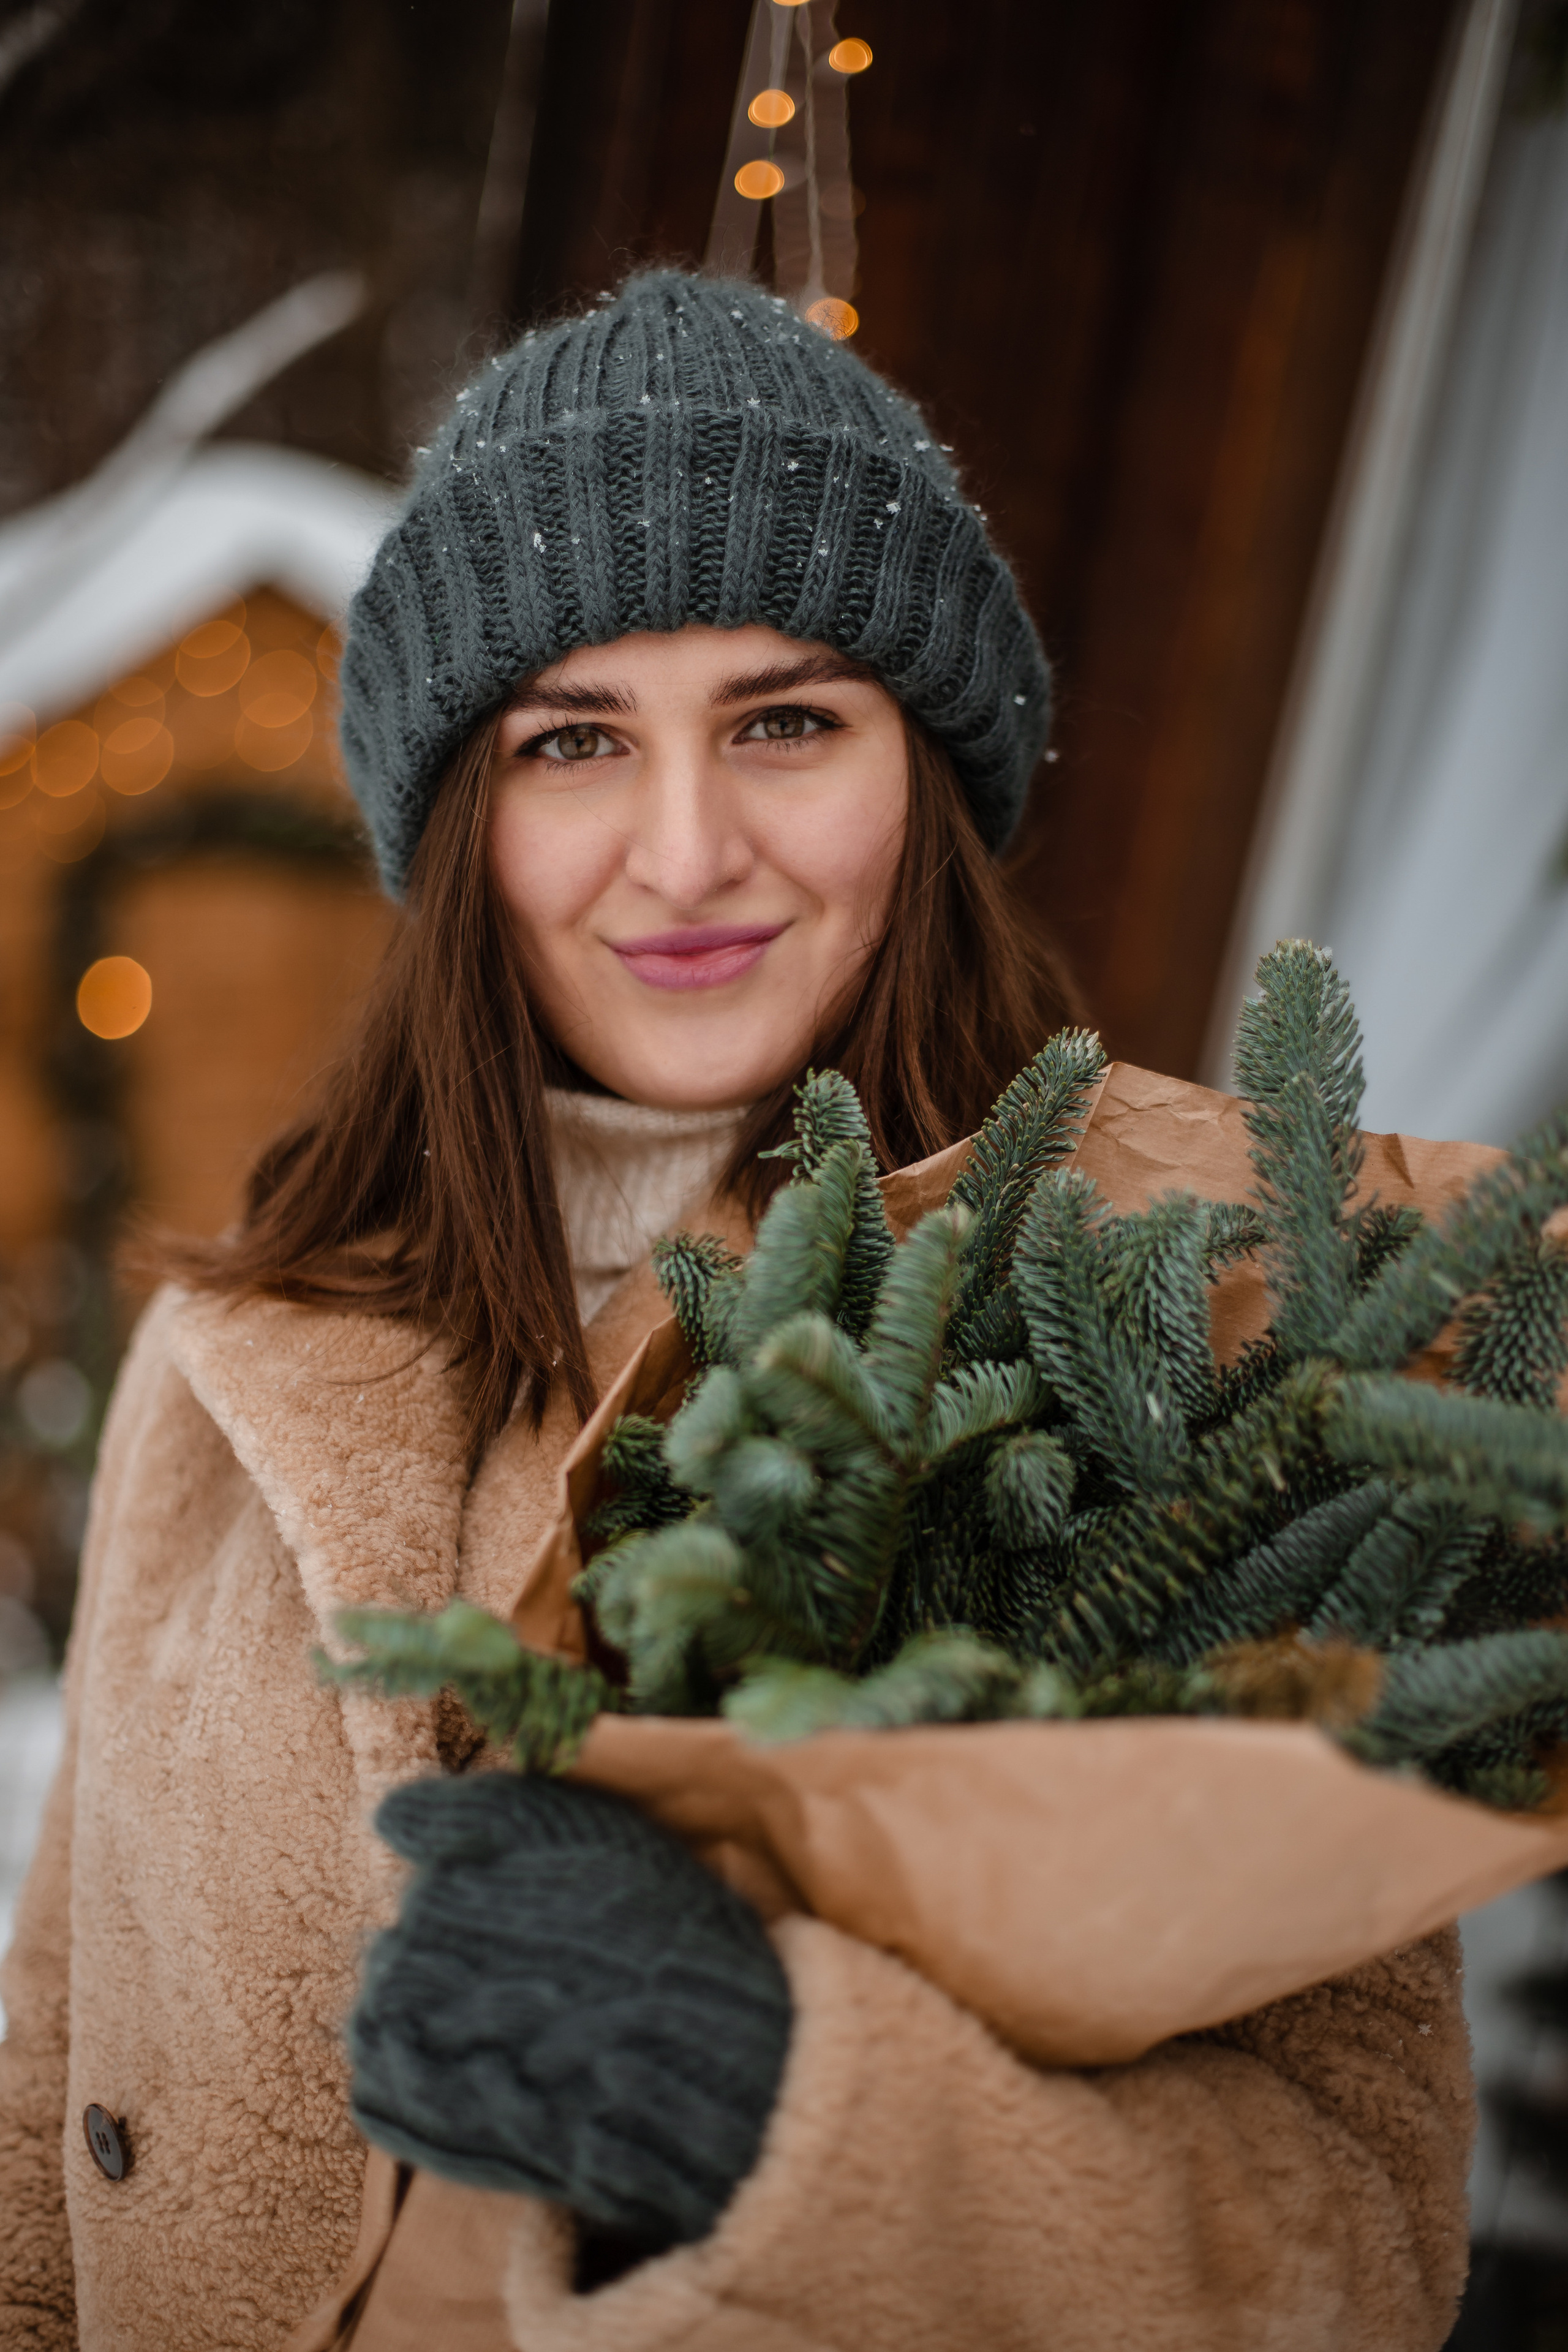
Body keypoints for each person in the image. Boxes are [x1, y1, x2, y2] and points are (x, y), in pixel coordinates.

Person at [0, 273, 1472, 2352]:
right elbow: (55, 2088)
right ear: (461, 815)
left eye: (785, 722)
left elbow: (1361, 2249)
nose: (686, 854)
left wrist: (779, 2109)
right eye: (574, 741)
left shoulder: (1175, 1334)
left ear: (926, 773)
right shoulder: (251, 1335)